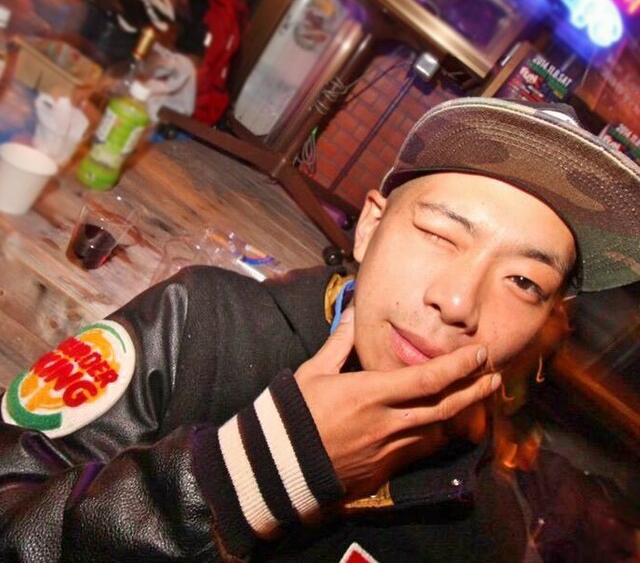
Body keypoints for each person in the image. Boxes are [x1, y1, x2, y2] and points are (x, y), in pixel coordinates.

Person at [0, 97, 638, 562]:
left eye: (523, 281)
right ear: (369, 228)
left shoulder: (485, 533)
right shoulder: (201, 324)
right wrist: (254, 472)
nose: (456, 301)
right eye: (440, 234)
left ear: (545, 326)